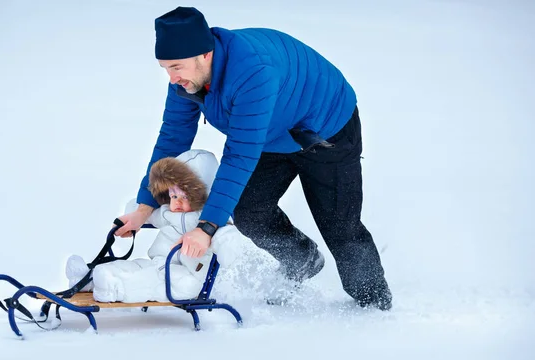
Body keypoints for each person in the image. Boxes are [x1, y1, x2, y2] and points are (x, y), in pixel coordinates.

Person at [115, 7, 392, 310]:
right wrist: (145, 207)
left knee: (340, 226)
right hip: (273, 133)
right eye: (165, 68)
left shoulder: (253, 72)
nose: (172, 77)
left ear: (204, 55)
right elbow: (172, 139)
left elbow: (239, 155)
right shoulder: (186, 80)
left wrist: (206, 228)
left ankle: (374, 303)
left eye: (176, 66)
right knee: (249, 210)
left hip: (327, 131)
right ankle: (302, 259)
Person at [66, 149, 244, 302]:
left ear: (202, 194)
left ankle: (114, 288)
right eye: (174, 196)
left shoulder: (212, 221)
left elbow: (229, 238)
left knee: (149, 282)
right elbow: (148, 214)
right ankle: (86, 279)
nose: (177, 203)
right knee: (136, 267)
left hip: (186, 278)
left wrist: (227, 247)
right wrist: (134, 216)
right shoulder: (168, 213)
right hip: (159, 263)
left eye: (185, 197)